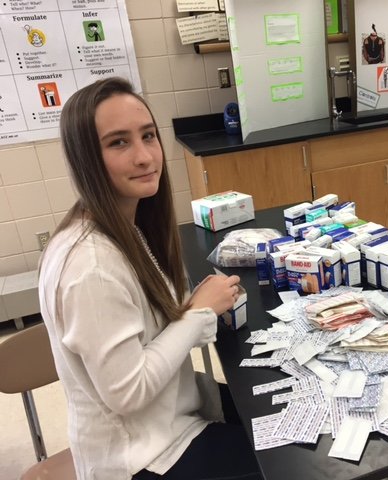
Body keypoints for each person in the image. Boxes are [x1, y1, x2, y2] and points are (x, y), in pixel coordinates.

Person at [38, 77, 262, 480]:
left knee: (270, 409)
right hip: (142, 457)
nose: (144, 157)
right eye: (118, 143)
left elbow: (146, 331)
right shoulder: (90, 266)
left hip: (170, 415)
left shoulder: (124, 226)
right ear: (86, 158)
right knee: (286, 461)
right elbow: (129, 392)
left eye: (148, 136)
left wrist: (193, 307)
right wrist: (196, 314)